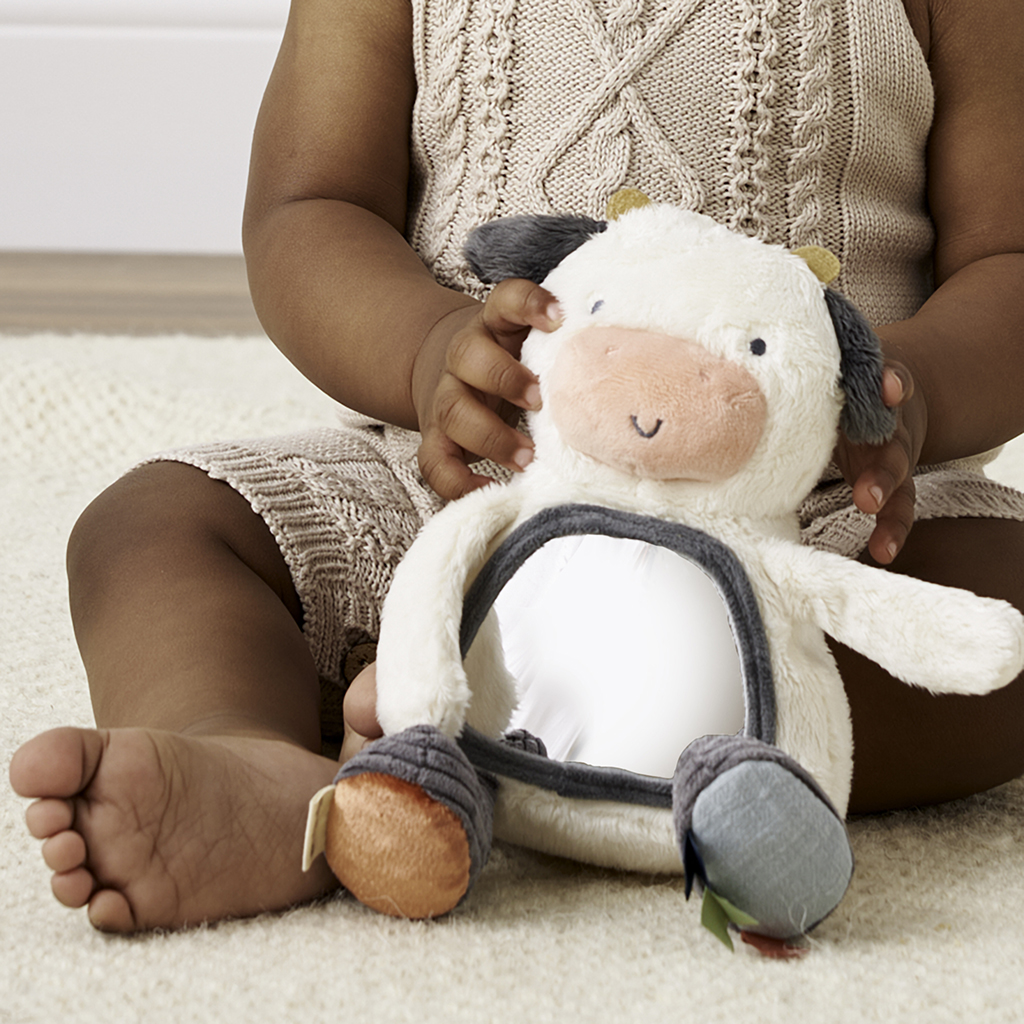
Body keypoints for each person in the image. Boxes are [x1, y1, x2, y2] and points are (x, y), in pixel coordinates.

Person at [9, 0, 1024, 934]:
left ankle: (488, 732)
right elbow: (306, 205)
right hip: (470, 482)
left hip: (805, 518)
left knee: (1000, 622)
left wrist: (912, 389)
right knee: (155, 524)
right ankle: (252, 760)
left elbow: (1007, 256)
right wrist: (427, 351)